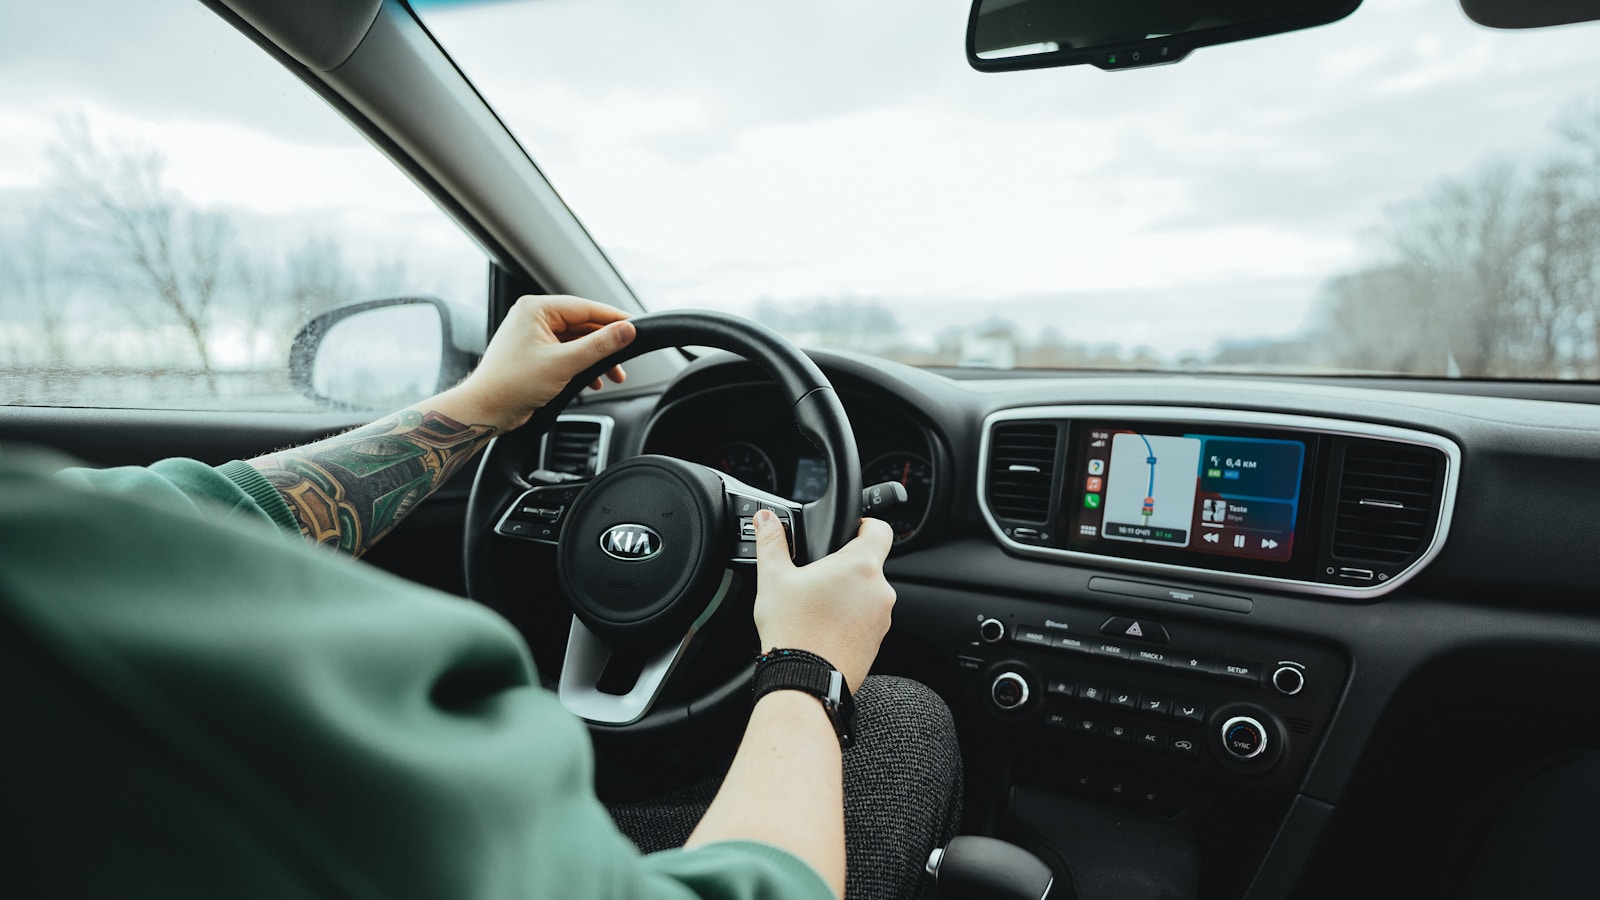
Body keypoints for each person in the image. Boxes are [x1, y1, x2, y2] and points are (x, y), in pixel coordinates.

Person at [0, 296, 960, 899]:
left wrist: (472, 409)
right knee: (902, 723)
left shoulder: (59, 555)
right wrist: (807, 668)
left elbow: (203, 517)